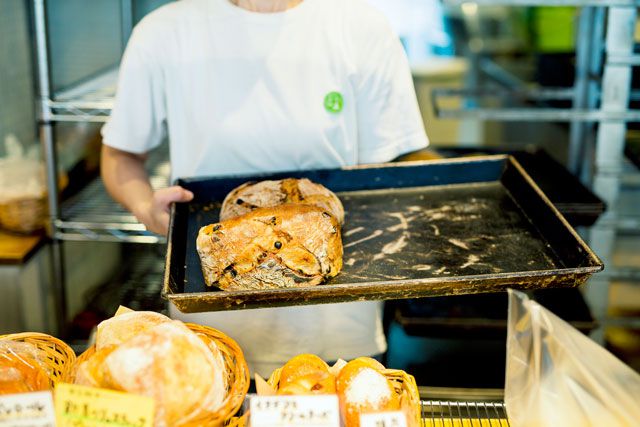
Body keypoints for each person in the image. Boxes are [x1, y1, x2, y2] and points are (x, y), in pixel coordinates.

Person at [101, 0, 428, 377]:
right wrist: (146, 206)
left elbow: (382, 175)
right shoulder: (164, 32)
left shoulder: (360, 26)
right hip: (209, 335)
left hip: (336, 331)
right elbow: (119, 156)